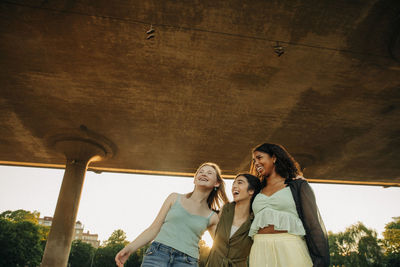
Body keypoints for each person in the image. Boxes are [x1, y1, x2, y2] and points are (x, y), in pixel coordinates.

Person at [115, 162, 229, 267]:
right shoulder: (174, 198)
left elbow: (221, 247)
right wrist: (129, 248)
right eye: (201, 172)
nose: (204, 174)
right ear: (194, 179)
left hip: (187, 261)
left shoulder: (213, 216)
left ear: (217, 183)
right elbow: (153, 229)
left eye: (209, 173)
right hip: (157, 255)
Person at [248, 143, 330, 267]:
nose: (256, 163)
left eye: (259, 158)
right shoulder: (256, 191)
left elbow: (312, 224)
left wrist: (321, 261)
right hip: (260, 249)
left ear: (274, 158)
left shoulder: (298, 186)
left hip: (290, 247)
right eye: (254, 161)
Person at [205, 173, 261, 267]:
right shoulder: (225, 210)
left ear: (251, 191)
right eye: (233, 183)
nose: (234, 186)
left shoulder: (256, 220)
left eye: (240, 183)